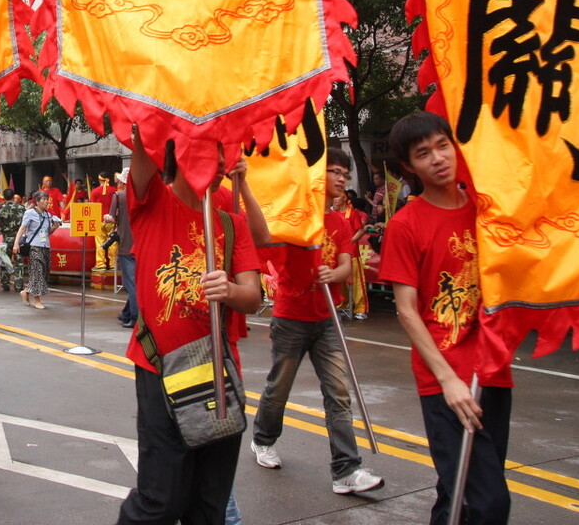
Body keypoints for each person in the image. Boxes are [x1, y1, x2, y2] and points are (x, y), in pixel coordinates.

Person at [117, 131, 263, 525]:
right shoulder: (152, 203)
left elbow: (254, 296)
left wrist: (230, 290)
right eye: (208, 154)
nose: (218, 166)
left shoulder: (231, 224)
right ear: (179, 154)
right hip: (161, 369)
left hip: (218, 373)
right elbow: (143, 134)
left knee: (209, 507)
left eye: (223, 156)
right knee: (160, 501)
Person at [379, 111, 513, 524]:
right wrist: (448, 380)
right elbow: (406, 310)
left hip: (493, 371)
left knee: (459, 493)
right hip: (446, 381)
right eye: (423, 153)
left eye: (442, 145)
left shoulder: (486, 210)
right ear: (408, 166)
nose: (438, 158)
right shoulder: (405, 224)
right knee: (489, 503)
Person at [250, 148, 383, 495]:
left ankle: (346, 470)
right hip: (291, 318)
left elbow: (345, 266)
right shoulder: (291, 218)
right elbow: (266, 248)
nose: (341, 178)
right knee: (279, 388)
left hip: (327, 319)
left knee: (338, 393)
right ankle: (262, 439)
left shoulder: (339, 222)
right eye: (334, 171)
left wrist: (331, 274)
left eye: (345, 173)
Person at [14, 191, 59, 310]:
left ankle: (26, 291)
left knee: (44, 273)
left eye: (47, 199)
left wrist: (54, 228)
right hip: (34, 246)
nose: (46, 201)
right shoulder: (29, 213)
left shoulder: (48, 215)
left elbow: (47, 233)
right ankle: (37, 300)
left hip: (45, 246)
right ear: (37, 201)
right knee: (37, 272)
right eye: (43, 199)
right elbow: (22, 228)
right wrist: (16, 244)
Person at [107, 174, 136, 328]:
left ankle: (135, 316)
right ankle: (126, 314)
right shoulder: (142, 197)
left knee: (130, 283)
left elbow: (111, 218)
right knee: (136, 281)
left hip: (126, 245)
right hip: (142, 245)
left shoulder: (119, 196)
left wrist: (107, 217)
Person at [0, 189, 25, 292]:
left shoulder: (0, 209)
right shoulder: (21, 208)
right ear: (13, 196)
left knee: (5, 261)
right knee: (19, 262)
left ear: (4, 196)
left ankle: (5, 283)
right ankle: (18, 285)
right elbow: (25, 225)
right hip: (19, 238)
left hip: (6, 238)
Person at [89, 171, 117, 270]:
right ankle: (113, 264)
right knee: (112, 242)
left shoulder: (95, 191)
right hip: (111, 220)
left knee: (100, 242)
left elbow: (91, 206)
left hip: (99, 221)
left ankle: (101, 264)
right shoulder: (114, 191)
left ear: (99, 179)